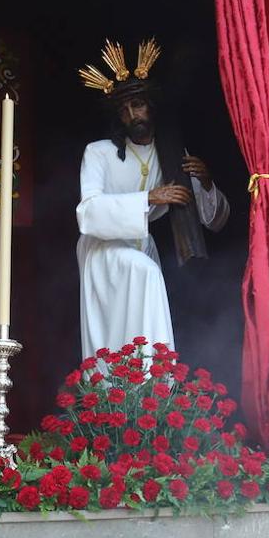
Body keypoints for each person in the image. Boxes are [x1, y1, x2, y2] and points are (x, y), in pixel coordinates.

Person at [74, 38, 229, 357]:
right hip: (103, 252)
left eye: (138, 105)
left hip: (142, 249)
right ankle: (146, 381)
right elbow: (88, 213)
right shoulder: (100, 153)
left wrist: (207, 183)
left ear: (151, 107)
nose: (133, 114)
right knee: (141, 282)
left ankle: (150, 394)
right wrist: (148, 198)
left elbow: (214, 221)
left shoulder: (171, 156)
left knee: (145, 289)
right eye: (125, 109)